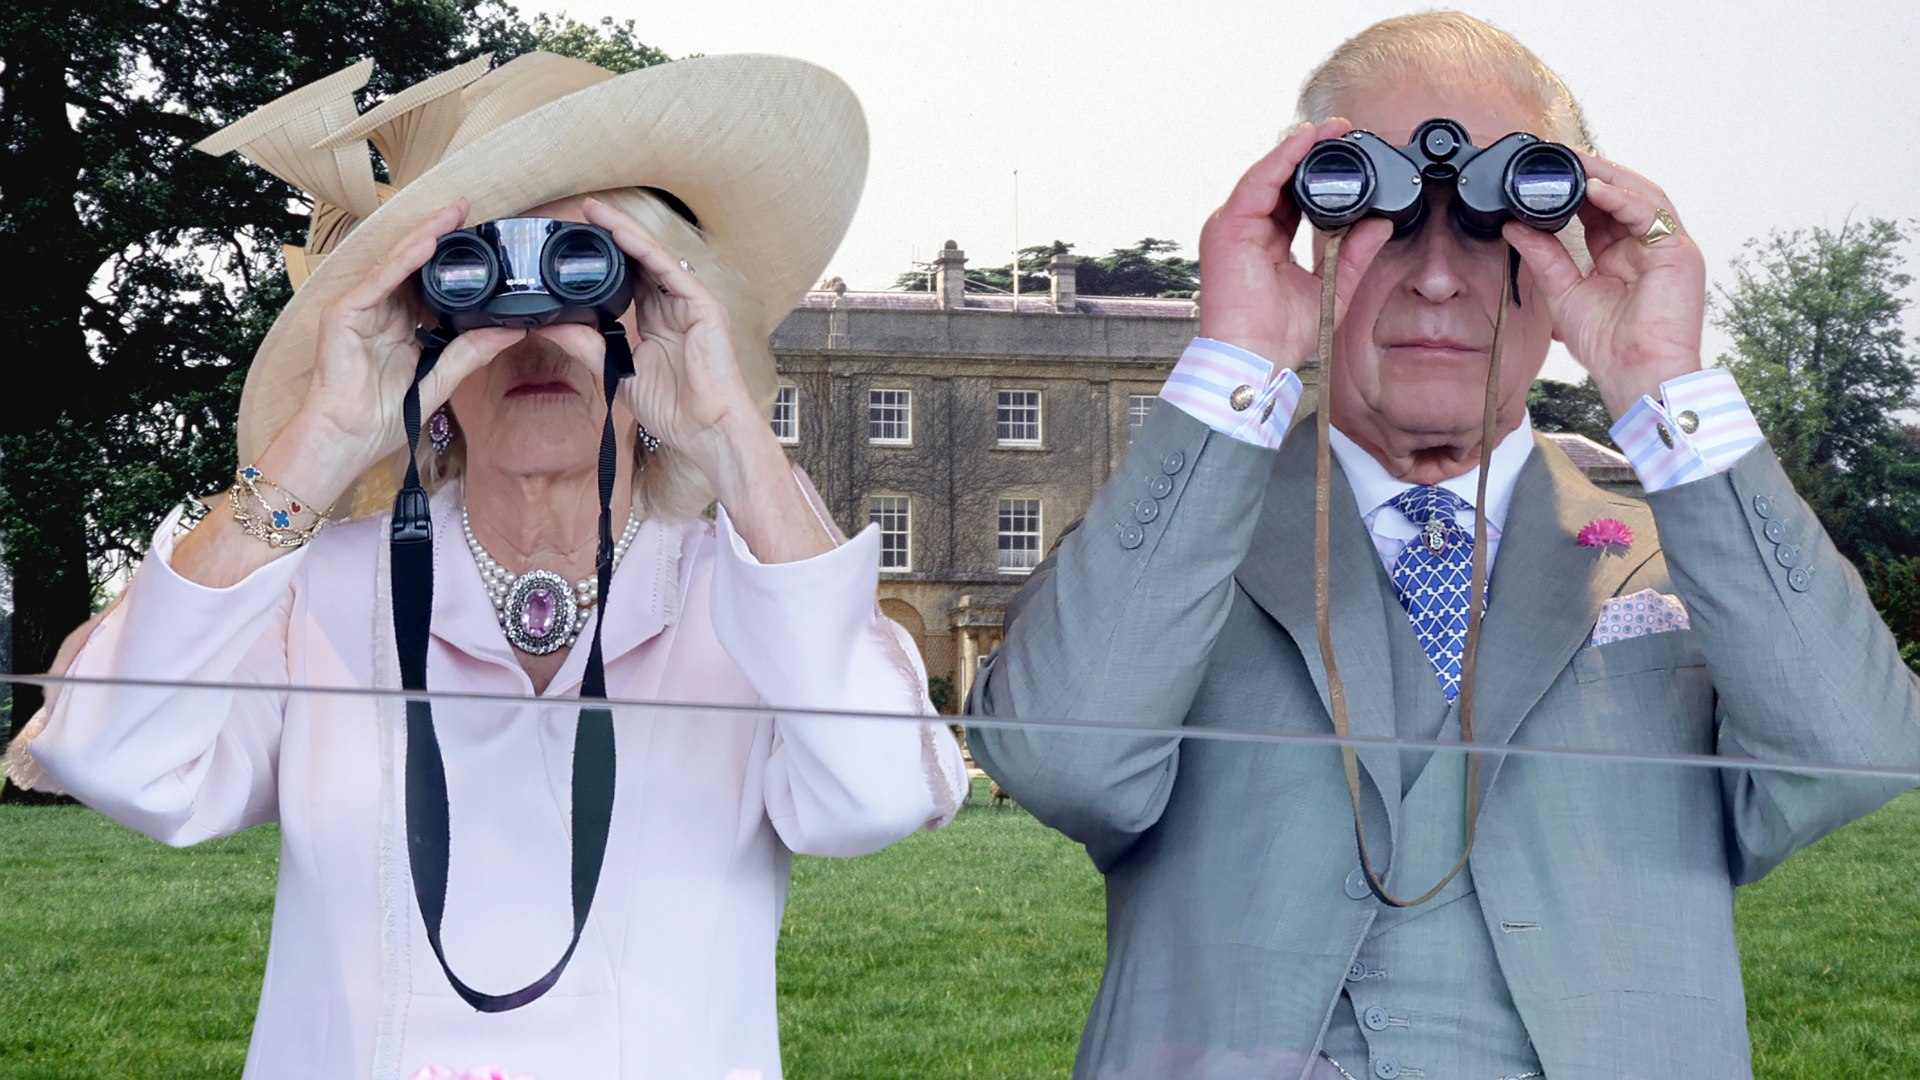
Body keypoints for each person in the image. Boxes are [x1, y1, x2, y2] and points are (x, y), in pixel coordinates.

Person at [968, 12, 1920, 1080]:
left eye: (1488, 224)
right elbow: (1058, 758)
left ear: (1565, 252)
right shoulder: (1178, 540)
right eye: (1378, 214)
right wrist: (1237, 355)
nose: (1433, 277)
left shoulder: (1680, 556)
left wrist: (1664, 384)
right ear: (1311, 231)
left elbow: (1853, 750)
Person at [10, 51, 967, 1080]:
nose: (534, 327)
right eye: (471, 274)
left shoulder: (752, 605)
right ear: (420, 328)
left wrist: (732, 433)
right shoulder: (313, 594)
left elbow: (877, 793)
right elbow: (109, 751)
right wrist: (323, 438)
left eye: (585, 266)